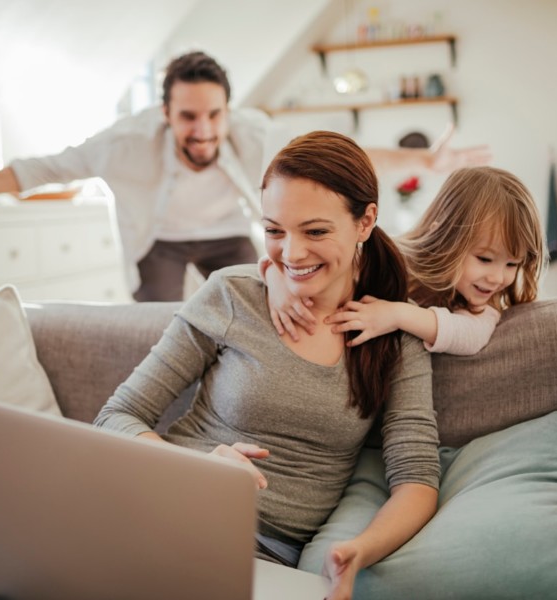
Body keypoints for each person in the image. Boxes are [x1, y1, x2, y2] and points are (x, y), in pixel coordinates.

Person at [93, 131, 440, 599]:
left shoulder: (394, 336)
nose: (291, 254)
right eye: (275, 231)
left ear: (365, 221)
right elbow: (116, 416)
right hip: (158, 505)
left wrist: (360, 550)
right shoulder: (234, 295)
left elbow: (416, 481)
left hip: (260, 552)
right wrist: (195, 465)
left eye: (315, 231)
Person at [0, 50, 491, 302]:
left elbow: (343, 155)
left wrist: (423, 162)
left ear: (228, 111)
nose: (202, 130)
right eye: (188, 117)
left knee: (258, 299)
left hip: (227, 229)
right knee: (155, 317)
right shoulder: (123, 144)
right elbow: (41, 167)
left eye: (213, 115)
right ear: (166, 114)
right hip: (158, 240)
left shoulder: (255, 134)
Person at [263, 166, 545, 355]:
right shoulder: (394, 258)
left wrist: (395, 315)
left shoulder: (484, 304)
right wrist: (277, 283)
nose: (497, 277)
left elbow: (472, 336)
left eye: (512, 264)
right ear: (443, 236)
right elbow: (285, 260)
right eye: (485, 259)